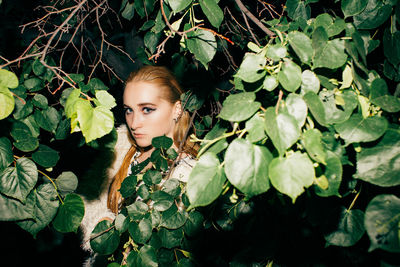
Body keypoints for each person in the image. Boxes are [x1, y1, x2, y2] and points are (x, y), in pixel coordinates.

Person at [79, 65, 198, 266]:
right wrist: (102, 225)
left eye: (147, 109)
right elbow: (87, 198)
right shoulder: (121, 147)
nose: (134, 123)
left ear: (176, 109)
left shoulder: (189, 173)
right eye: (129, 110)